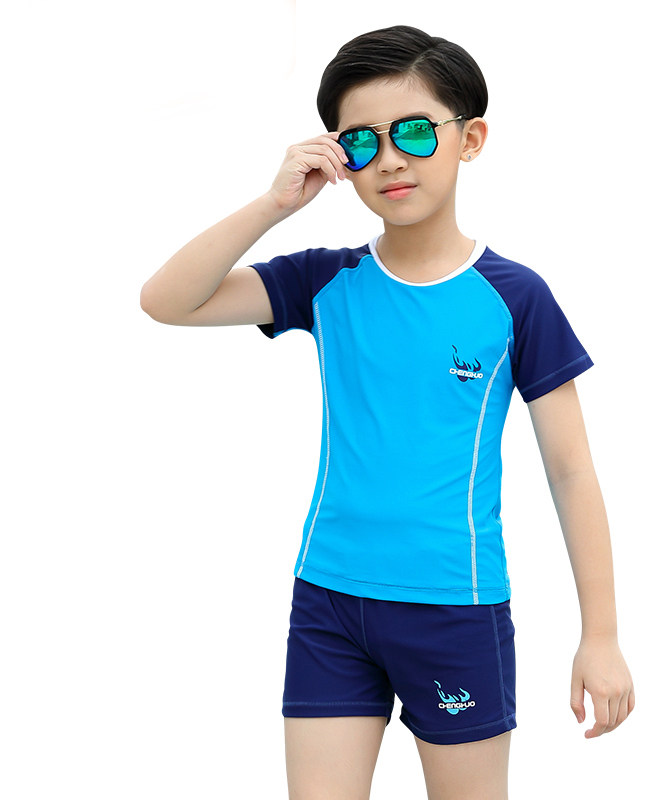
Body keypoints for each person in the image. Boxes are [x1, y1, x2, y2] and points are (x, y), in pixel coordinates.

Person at [140, 24, 634, 800]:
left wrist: (599, 636)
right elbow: (166, 301)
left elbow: (572, 473)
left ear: (470, 139)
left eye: (415, 132)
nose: (392, 159)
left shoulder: (515, 298)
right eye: (362, 142)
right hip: (329, 603)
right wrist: (274, 205)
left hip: (454, 608)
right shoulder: (324, 282)